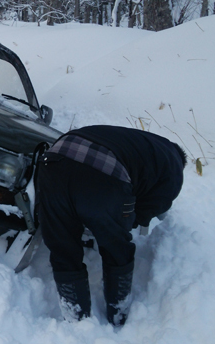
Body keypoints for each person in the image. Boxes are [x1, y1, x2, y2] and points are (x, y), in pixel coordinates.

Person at [35, 125, 187, 326]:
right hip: (103, 172)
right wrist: (125, 221)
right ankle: (118, 313)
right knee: (116, 247)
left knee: (62, 244)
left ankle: (76, 320)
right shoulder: (175, 165)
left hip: (53, 161)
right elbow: (153, 205)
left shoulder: (144, 141)